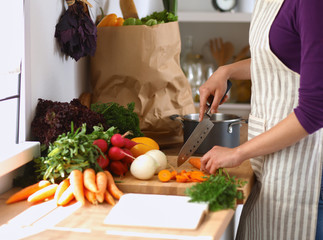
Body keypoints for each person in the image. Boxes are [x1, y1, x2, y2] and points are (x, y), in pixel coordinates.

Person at [198, 0, 323, 239]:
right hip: (274, 160)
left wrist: (238, 153)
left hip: (309, 166)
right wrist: (227, 71)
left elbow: (315, 110)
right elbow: (283, 57)